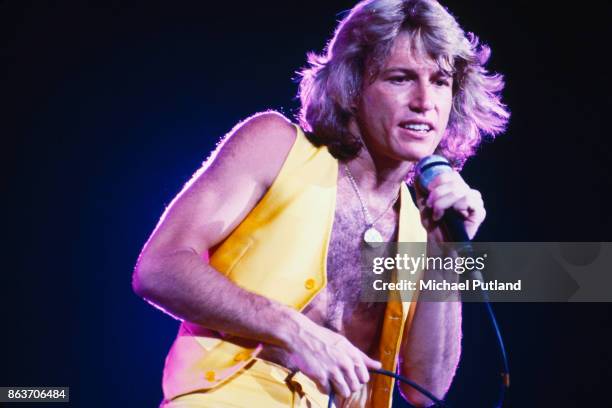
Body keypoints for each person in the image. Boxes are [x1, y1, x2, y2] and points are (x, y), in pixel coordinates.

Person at [132, 0, 509, 406]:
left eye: (440, 81)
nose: (424, 101)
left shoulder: (424, 225)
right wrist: (291, 328)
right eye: (401, 78)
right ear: (351, 87)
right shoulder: (276, 146)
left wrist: (444, 253)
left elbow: (427, 388)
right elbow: (159, 267)